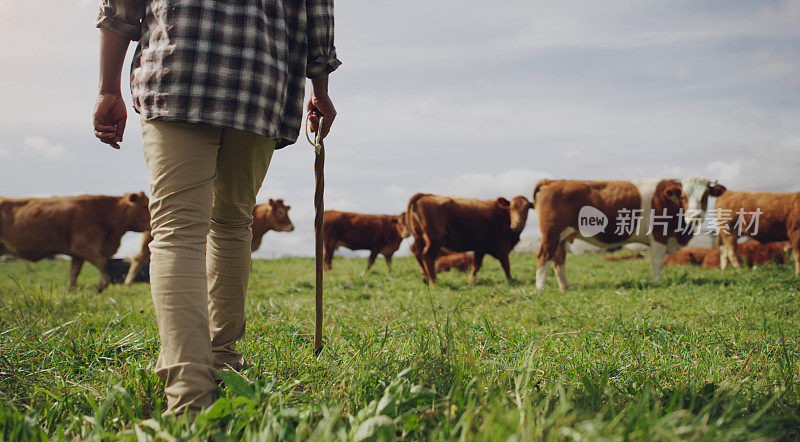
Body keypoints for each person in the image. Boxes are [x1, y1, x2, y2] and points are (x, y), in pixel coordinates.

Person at [92, 0, 340, 415]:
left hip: (178, 67)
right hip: (263, 79)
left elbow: (120, 9)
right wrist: (321, 92)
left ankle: (188, 392)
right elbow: (319, 20)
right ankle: (223, 361)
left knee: (176, 231)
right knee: (231, 225)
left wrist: (106, 87)